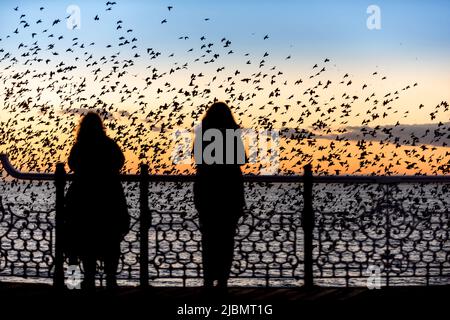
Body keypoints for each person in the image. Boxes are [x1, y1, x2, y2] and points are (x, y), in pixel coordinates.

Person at [64, 111, 129, 290]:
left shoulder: (79, 146)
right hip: (108, 199)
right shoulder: (109, 145)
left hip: (82, 200)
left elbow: (72, 165)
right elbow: (120, 161)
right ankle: (110, 280)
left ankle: (79, 281)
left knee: (83, 242)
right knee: (110, 241)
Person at [193, 101, 246, 288]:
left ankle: (208, 279)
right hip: (229, 192)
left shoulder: (203, 134)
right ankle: (222, 279)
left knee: (209, 238)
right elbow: (242, 159)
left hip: (207, 191)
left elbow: (197, 157)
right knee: (226, 239)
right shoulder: (232, 134)